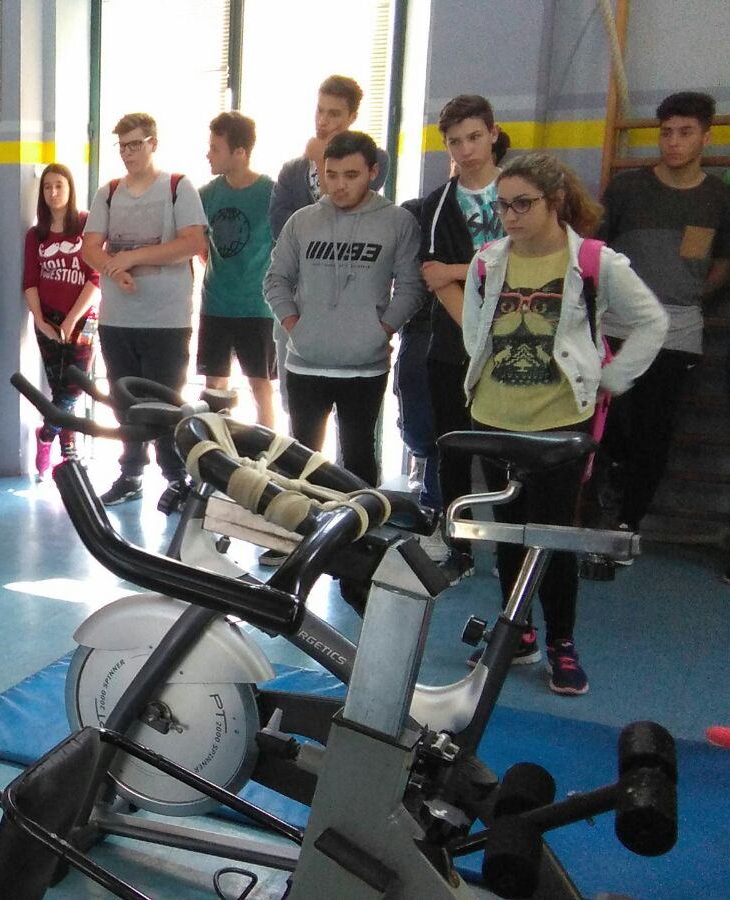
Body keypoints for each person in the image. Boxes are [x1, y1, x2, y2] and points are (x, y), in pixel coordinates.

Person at [462, 153, 666, 695]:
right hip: (494, 420)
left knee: (551, 537)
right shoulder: (486, 262)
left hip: (560, 428)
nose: (510, 216)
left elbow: (652, 322)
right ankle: (518, 634)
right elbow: (475, 331)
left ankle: (561, 642)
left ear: (555, 202)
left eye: (522, 204)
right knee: (508, 535)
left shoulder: (595, 262)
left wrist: (609, 379)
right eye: (502, 206)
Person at [598, 92, 730, 537]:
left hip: (677, 330)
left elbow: (724, 261)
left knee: (654, 430)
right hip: (616, 323)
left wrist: (695, 295)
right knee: (605, 420)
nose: (674, 142)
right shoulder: (627, 189)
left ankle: (628, 522)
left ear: (706, 137)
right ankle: (612, 475)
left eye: (685, 132)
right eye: (667, 132)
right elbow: (597, 250)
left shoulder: (721, 199)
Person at [264, 130, 424, 492]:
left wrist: (381, 330)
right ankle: (302, 524)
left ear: (372, 172)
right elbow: (276, 279)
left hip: (364, 366)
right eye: (331, 175)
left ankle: (361, 526)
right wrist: (295, 325)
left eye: (351, 175)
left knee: (358, 457)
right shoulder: (302, 221)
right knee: (300, 462)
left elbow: (411, 287)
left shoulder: (397, 222)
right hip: (305, 362)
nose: (339, 185)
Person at [82, 112, 208, 506]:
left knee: (165, 403)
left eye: (135, 144)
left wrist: (135, 257)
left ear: (153, 143)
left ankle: (176, 476)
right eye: (122, 146)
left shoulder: (177, 187)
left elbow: (192, 243)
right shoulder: (109, 192)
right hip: (118, 318)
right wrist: (115, 269)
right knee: (124, 402)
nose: (128, 152)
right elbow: (90, 247)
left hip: (166, 320)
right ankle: (131, 473)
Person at [415, 94, 512, 577]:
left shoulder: (522, 190)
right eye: (455, 142)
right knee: (452, 447)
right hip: (455, 346)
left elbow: (524, 263)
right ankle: (459, 543)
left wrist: (460, 268)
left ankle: (511, 543)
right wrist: (476, 336)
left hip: (516, 342)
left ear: (493, 134)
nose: (466, 149)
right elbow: (434, 276)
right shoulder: (437, 205)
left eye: (474, 137)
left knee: (504, 454)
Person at [197, 111, 276, 427]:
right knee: (214, 388)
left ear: (240, 152)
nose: (208, 154)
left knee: (260, 387)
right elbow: (198, 244)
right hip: (216, 305)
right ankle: (215, 448)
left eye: (215, 148)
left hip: (258, 307)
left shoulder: (271, 193)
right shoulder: (206, 194)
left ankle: (267, 451)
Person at [23, 163, 101, 479]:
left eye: (59, 186)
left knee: (74, 388)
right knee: (58, 388)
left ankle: (46, 435)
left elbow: (95, 279)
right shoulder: (36, 234)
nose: (53, 192)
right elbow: (30, 281)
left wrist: (72, 319)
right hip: (48, 320)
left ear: (70, 188)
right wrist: (40, 320)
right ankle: (69, 450)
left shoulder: (86, 224)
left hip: (83, 319)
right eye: (47, 187)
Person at [268, 75, 392, 239]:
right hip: (300, 255)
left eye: (334, 114)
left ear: (352, 117)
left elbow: (344, 216)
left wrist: (321, 160)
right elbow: (279, 229)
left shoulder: (374, 159)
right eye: (320, 111)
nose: (322, 121)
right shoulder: (292, 170)